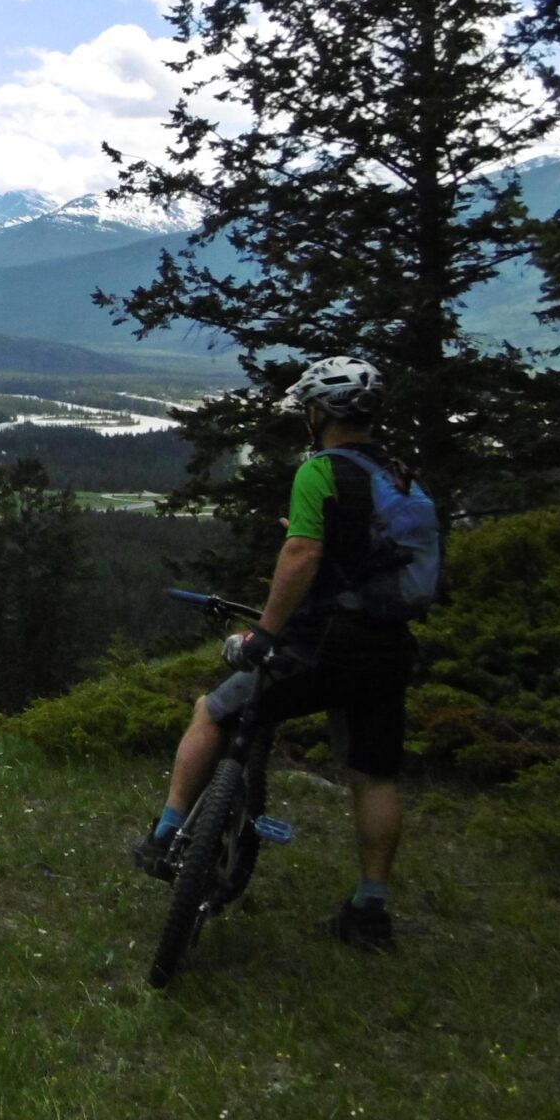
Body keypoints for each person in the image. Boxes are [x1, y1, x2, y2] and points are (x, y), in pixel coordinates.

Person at [132, 355, 422, 949]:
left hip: (323, 645)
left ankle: (164, 834)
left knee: (213, 712)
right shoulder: (401, 477)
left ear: (318, 413)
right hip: (388, 645)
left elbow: (302, 557)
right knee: (373, 775)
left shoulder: (320, 471)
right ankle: (371, 910)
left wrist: (266, 630)